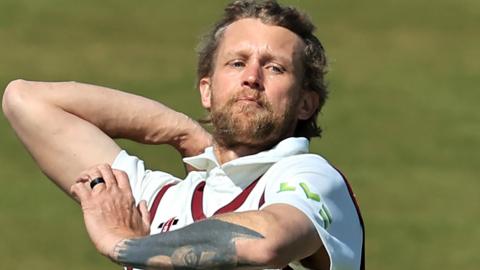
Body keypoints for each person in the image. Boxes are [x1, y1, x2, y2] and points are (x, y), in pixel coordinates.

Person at [2, 0, 364, 269]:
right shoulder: (157, 201)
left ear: (305, 103)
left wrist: (124, 244)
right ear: (206, 91)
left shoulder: (312, 179)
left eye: (274, 67)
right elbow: (25, 102)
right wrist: (180, 131)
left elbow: (266, 241)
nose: (251, 77)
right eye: (237, 63)